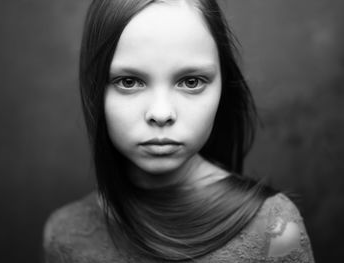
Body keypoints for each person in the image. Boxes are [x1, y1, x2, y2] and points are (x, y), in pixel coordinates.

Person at [43, 0, 315, 262]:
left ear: (223, 84)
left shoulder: (274, 229)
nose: (161, 113)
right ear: (94, 89)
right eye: (128, 82)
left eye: (191, 81)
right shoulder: (65, 235)